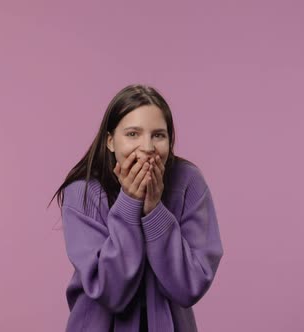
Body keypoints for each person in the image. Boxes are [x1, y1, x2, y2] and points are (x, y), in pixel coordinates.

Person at [48, 84, 224, 331]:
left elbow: (190, 286)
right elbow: (110, 292)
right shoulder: (83, 192)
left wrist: (154, 211)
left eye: (158, 135)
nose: (147, 147)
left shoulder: (188, 182)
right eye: (133, 134)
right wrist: (129, 203)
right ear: (111, 141)